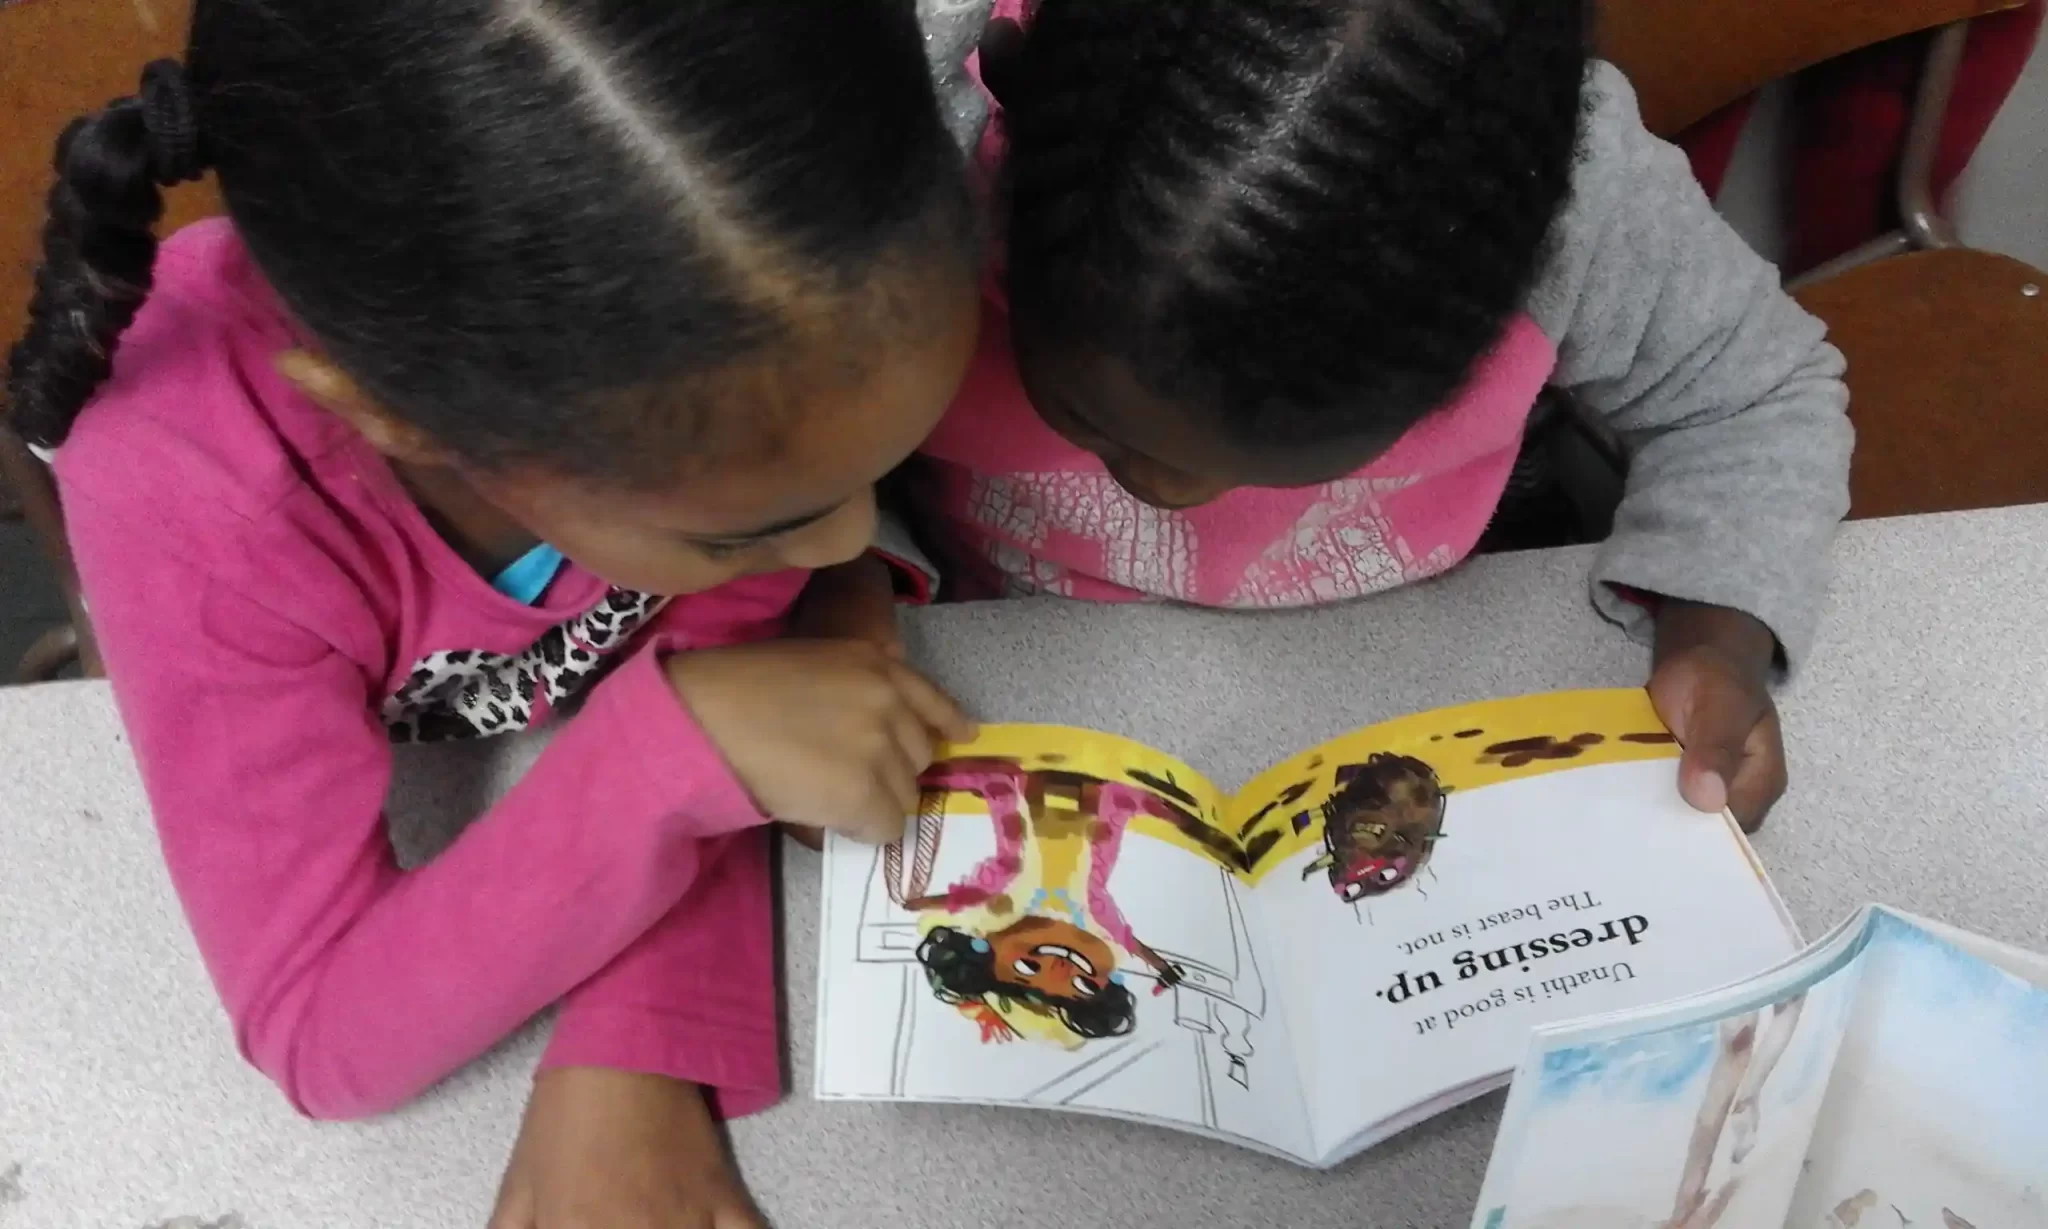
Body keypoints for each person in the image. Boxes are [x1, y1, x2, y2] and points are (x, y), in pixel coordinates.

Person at [3, 3, 983, 1225]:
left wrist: (631, 1046)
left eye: (865, 478)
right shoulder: (202, 499)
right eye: (750, 527)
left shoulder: (708, 367)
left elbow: (731, 629)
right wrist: (673, 754)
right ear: (401, 422)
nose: (848, 544)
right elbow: (318, 1025)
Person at [880, 0, 1853, 832]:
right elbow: (806, 446)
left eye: (1277, 463)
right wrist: (845, 590)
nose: (1168, 493)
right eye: (1091, 422)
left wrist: (1716, 634)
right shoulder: (911, 161)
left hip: (1424, 681)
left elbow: (1753, 393)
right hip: (1006, 677)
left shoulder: (1575, 202)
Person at [902, 758, 1192, 1047]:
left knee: (1018, 857)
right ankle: (1113, 800)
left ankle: (1005, 785)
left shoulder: (1004, 909)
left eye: (1028, 967)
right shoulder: (1098, 921)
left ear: (985, 948)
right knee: (1092, 850)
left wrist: (933, 901)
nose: (1059, 969)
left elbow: (977, 892)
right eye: (1083, 984)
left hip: (1029, 808)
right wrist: (1162, 967)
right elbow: (1129, 941)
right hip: (1091, 819)